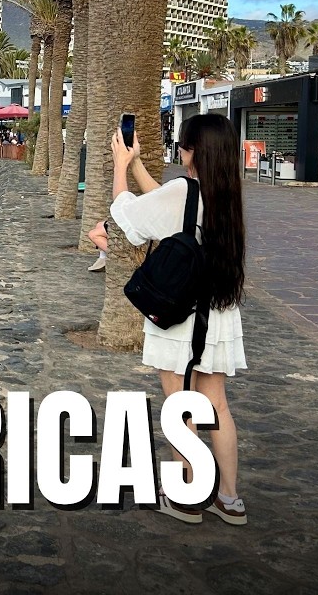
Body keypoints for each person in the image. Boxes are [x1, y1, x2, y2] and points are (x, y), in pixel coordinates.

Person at [109, 113, 248, 526]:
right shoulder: (225, 193)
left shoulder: (184, 190)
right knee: (216, 404)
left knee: (179, 405)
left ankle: (187, 496)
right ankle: (229, 499)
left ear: (192, 152)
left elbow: (129, 217)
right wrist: (137, 163)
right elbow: (172, 205)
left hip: (182, 314)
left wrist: (120, 167)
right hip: (218, 312)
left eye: (183, 146)